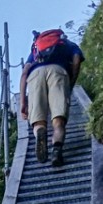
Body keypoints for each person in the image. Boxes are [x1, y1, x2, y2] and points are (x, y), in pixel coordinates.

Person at [19, 28, 84, 167]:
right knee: (58, 120)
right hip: (58, 71)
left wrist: (22, 102)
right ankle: (56, 151)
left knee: (38, 122)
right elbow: (77, 60)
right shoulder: (68, 44)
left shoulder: (36, 51)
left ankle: (40, 133)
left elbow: (24, 73)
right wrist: (70, 83)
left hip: (35, 74)